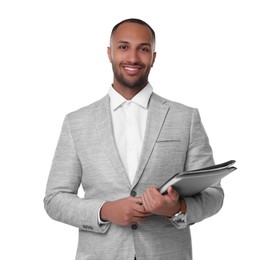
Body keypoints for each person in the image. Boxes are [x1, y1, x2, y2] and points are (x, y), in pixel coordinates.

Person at [44, 18, 224, 260]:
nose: (133, 57)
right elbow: (55, 199)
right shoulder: (77, 122)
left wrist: (176, 208)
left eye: (143, 48)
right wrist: (105, 210)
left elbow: (213, 194)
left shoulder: (185, 118)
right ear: (109, 53)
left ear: (153, 57)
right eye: (123, 47)